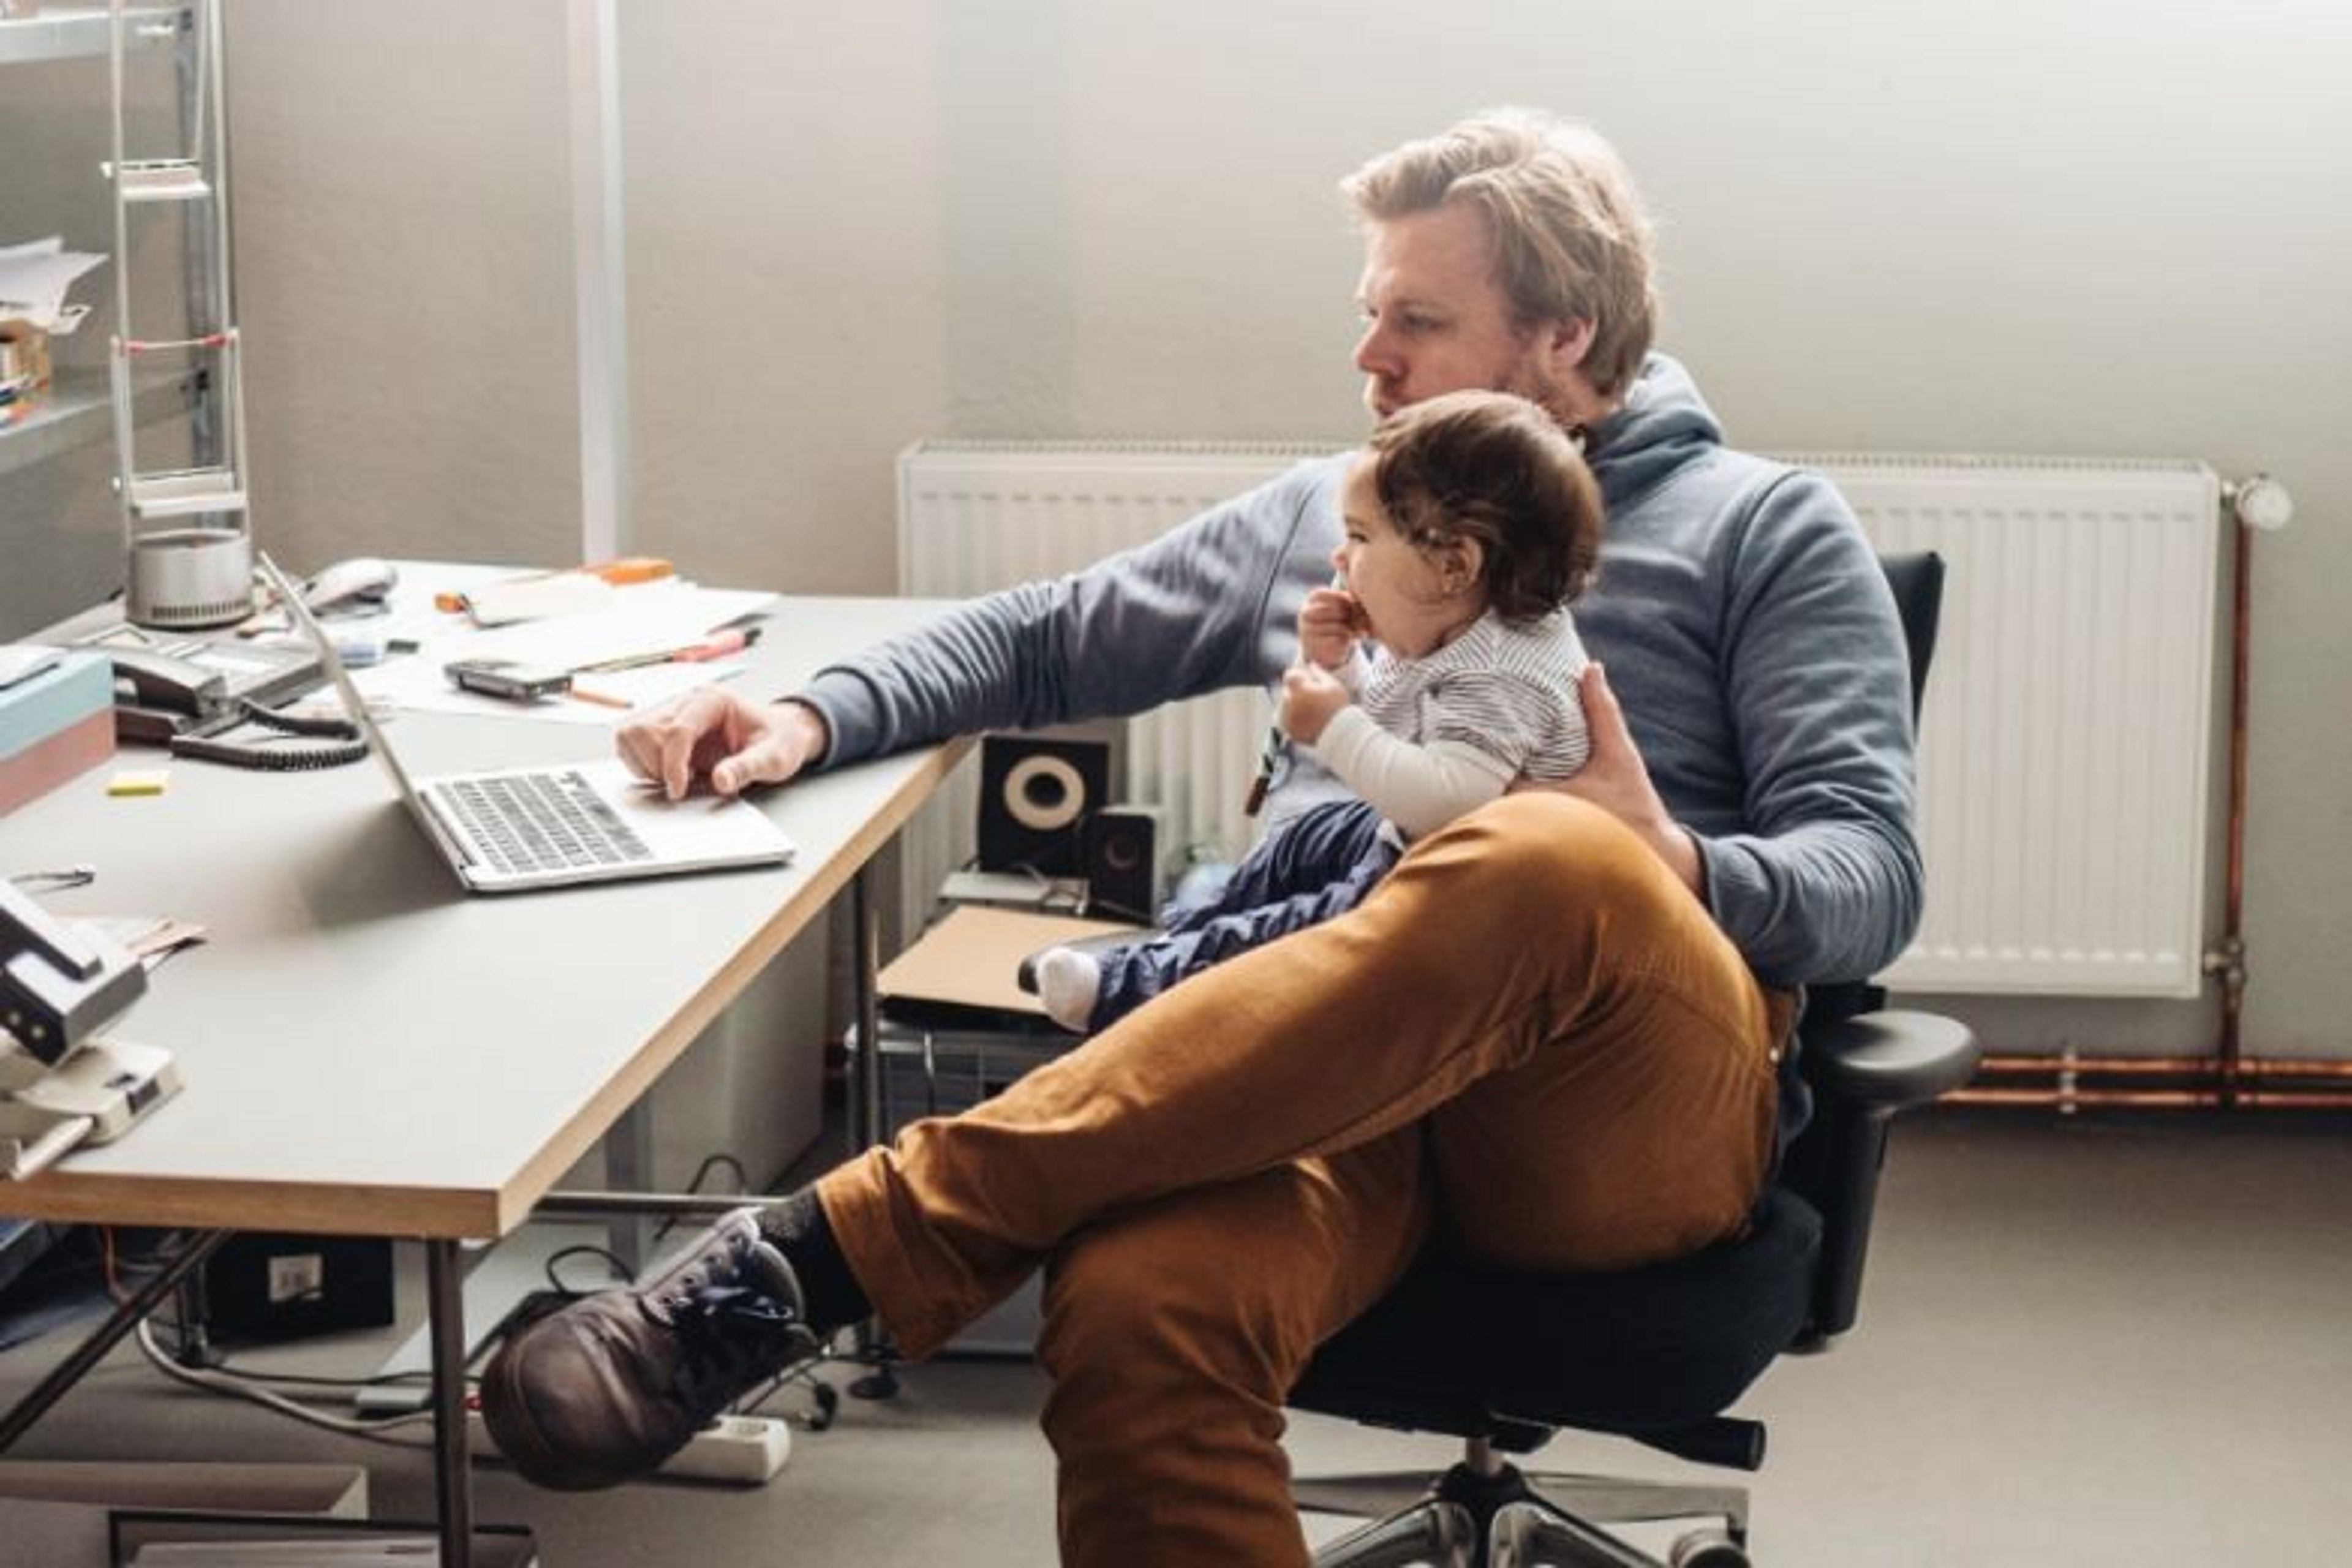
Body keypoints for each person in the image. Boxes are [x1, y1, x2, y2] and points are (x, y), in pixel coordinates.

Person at [478, 106, 1922, 1568]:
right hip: (1309, 1063)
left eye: (1416, 321)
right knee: (1135, 1303)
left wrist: (1666, 862)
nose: (1369, 361)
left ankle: (829, 1248)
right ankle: (805, 1268)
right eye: (1368, 315)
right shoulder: (1339, 509)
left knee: (1539, 853)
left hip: (1606, 1104)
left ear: (1565, 332)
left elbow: (1871, 876)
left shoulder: (1765, 532)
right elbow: (1046, 637)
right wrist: (809, 709)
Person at [1028, 386, 1602, 1033]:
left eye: (1359, 536)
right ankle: (1180, 941)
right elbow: (1403, 736)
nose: (1338, 559)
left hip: (1476, 901)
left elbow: (1447, 798)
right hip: (1420, 844)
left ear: (1454, 565)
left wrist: (1332, 724)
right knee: (1301, 843)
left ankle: (1127, 989)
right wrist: (1344, 668)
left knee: (1308, 926)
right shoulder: (1467, 631)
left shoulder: (1505, 672)